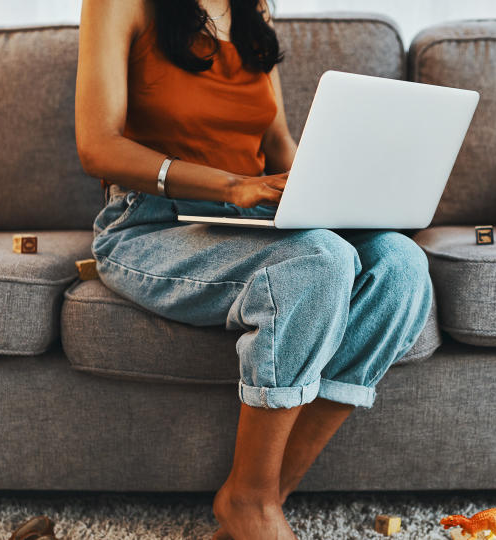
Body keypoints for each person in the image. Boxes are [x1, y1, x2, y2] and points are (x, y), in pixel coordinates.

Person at [74, 1, 434, 538]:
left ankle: (252, 501)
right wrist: (230, 186)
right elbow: (97, 146)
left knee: (402, 267)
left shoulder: (255, 7)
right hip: (152, 222)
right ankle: (255, 509)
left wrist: (353, 199)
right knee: (318, 262)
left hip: (257, 217)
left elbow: (279, 145)